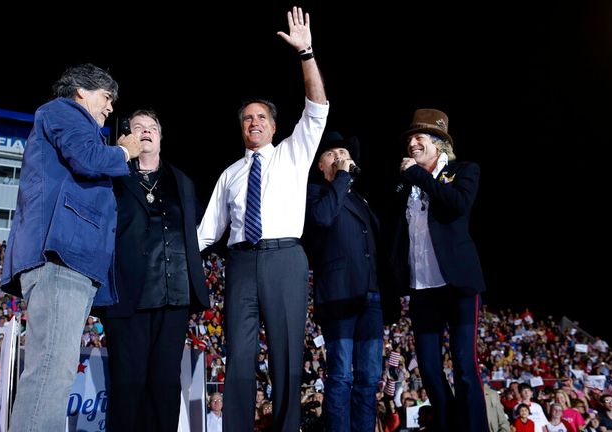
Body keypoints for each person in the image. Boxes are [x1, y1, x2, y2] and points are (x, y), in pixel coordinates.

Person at [197, 7, 328, 431]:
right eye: (247, 118)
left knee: (287, 355)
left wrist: (306, 53)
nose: (254, 122)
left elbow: (318, 107)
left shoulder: (294, 153)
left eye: (261, 117)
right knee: (238, 355)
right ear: (242, 129)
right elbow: (205, 233)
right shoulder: (230, 174)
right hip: (239, 264)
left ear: (274, 126)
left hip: (285, 258)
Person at [0, 63, 141, 431]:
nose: (110, 108)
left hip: (69, 262)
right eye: (106, 98)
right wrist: (123, 152)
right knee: (51, 369)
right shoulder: (64, 111)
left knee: (55, 370)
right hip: (59, 258)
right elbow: (89, 159)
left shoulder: (74, 121)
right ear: (82, 91)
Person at [100, 109, 209, 432]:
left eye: (152, 128)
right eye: (137, 127)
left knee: (165, 385)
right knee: (127, 384)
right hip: (127, 297)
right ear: (126, 136)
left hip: (174, 297)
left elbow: (204, 228)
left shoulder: (182, 181)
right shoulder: (114, 176)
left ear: (161, 137)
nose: (146, 131)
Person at [389, 108, 488, 431]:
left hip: (458, 284)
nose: (412, 144)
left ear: (439, 143)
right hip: (422, 289)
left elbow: (457, 205)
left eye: (419, 138)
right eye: (410, 139)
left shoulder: (464, 170)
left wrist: (419, 176)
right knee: (429, 369)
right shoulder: (407, 184)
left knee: (464, 365)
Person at [303, 132, 397, 432]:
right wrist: (341, 178)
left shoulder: (361, 199)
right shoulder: (314, 193)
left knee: (369, 377)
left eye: (345, 153)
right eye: (333, 154)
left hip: (371, 297)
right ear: (320, 164)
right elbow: (322, 218)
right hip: (339, 296)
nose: (341, 158)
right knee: (341, 374)